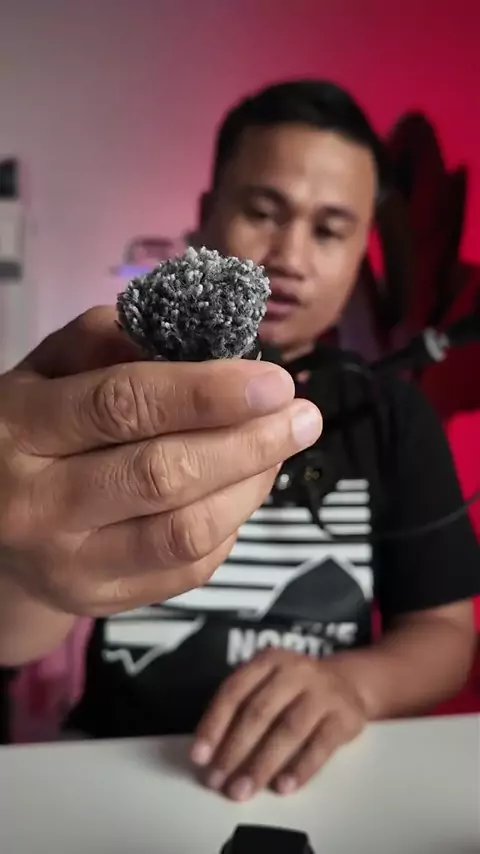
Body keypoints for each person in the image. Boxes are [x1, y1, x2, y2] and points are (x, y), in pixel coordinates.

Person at [1, 79, 479, 802]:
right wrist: (19, 564)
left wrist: (355, 685)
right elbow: (14, 636)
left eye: (329, 230)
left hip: (309, 788)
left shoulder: (396, 417)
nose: (289, 255)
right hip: (113, 771)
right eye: (262, 212)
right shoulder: (104, 390)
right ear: (207, 213)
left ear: (361, 251)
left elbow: (445, 634)